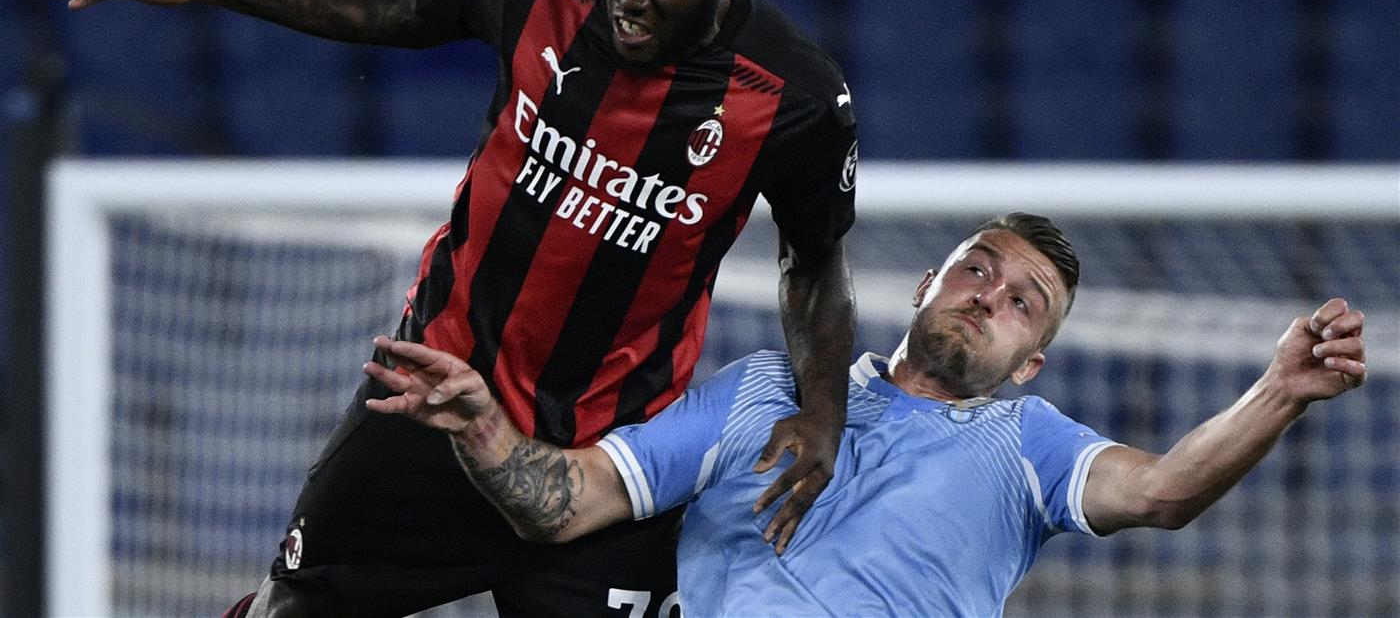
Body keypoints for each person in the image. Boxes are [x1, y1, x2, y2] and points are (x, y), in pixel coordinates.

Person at [53, 0, 859, 618]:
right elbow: (402, 3)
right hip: (431, 402)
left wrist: (825, 415)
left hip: (605, 468)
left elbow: (815, 263)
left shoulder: (796, 99)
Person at [366, 212, 1369, 617]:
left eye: (1022, 302)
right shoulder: (764, 391)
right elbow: (567, 500)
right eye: (977, 268)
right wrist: (487, 429)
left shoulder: (1026, 443)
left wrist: (1276, 389)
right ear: (928, 281)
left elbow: (1160, 492)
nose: (988, 294)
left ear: (1032, 364)